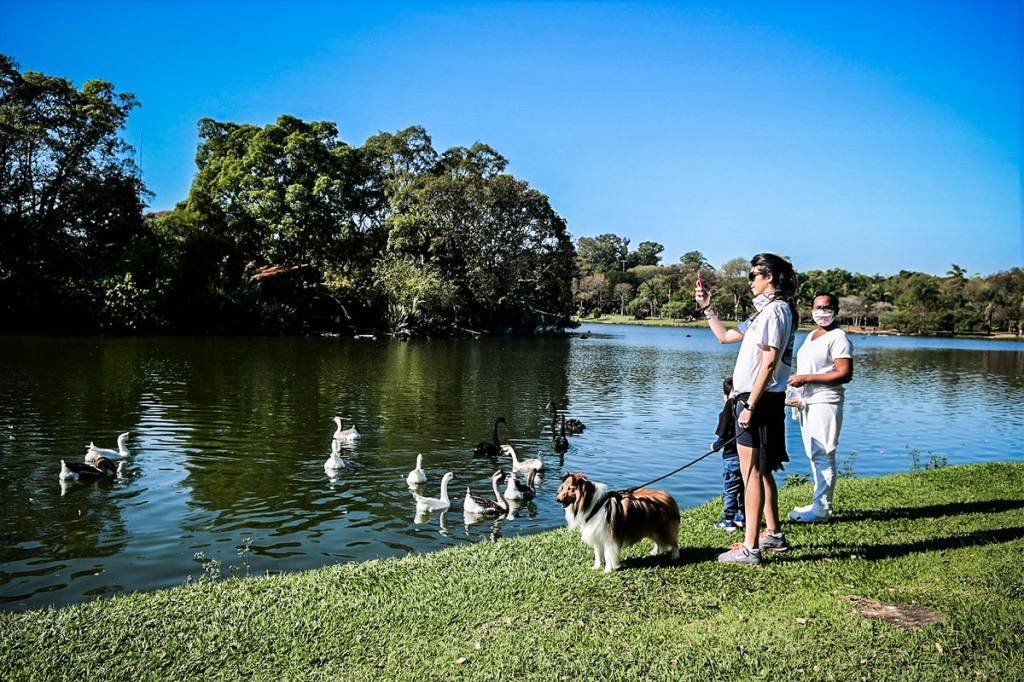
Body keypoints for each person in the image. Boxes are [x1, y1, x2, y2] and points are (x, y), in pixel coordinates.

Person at [696, 253, 798, 565]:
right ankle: (773, 533)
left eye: (754, 275)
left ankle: (751, 547)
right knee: (761, 471)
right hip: (754, 399)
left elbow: (769, 362)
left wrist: (749, 404)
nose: (750, 281)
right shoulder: (762, 314)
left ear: (771, 278)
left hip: (758, 401)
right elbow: (725, 336)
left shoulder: (776, 312)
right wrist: (707, 307)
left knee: (750, 472)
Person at [786, 293, 853, 522]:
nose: (821, 312)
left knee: (824, 453)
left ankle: (822, 510)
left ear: (835, 310)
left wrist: (806, 378)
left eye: (827, 308)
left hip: (826, 401)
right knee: (814, 453)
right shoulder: (813, 335)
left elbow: (844, 374)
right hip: (808, 401)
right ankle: (818, 502)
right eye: (817, 307)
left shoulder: (839, 337)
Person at [713, 377, 745, 532]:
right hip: (746, 456)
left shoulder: (726, 413)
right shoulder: (744, 410)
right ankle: (741, 516)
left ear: (725, 395)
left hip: (731, 458)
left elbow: (723, 437)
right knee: (744, 487)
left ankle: (728, 520)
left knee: (730, 489)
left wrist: (714, 446)